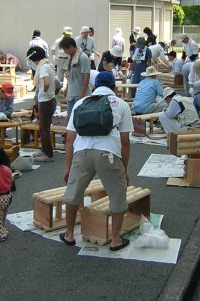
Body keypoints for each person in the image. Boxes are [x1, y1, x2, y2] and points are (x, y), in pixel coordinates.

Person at [60, 72, 133, 251]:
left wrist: (68, 167)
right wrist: (124, 169)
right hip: (108, 155)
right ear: (114, 88)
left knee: (73, 194)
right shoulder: (121, 104)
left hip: (81, 153)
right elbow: (125, 141)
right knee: (117, 196)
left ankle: (69, 234)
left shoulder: (80, 103)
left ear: (94, 86)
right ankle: (115, 239)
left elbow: (69, 139)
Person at [27, 46, 57, 162]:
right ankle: (45, 150)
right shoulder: (48, 65)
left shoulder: (43, 68)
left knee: (44, 129)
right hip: (50, 99)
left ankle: (48, 155)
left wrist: (43, 92)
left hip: (45, 101)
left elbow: (46, 82)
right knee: (44, 127)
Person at [60, 36, 91, 117]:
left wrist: (83, 92)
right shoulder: (71, 58)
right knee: (71, 119)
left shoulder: (83, 58)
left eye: (65, 50)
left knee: (80, 119)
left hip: (80, 95)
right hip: (71, 94)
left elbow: (86, 76)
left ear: (71, 47)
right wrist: (67, 88)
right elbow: (70, 76)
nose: (65, 52)